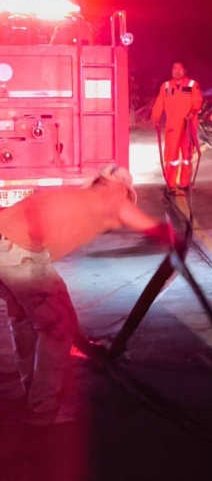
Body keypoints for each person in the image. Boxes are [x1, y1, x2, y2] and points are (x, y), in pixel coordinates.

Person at [0, 166, 177, 424]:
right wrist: (172, 236)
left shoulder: (81, 196)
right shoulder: (112, 197)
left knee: (25, 321)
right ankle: (43, 408)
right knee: (58, 325)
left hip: (5, 241)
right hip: (20, 251)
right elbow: (143, 223)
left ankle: (31, 390)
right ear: (120, 188)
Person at [151, 60, 203, 195]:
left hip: (188, 124)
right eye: (174, 68)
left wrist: (193, 111)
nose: (177, 71)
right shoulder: (166, 86)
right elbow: (160, 102)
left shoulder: (192, 84)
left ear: (185, 70)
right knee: (171, 156)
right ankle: (171, 184)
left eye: (180, 68)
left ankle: (185, 183)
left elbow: (197, 101)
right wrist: (156, 117)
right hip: (173, 126)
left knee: (187, 156)